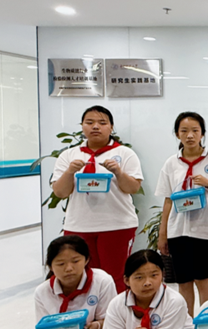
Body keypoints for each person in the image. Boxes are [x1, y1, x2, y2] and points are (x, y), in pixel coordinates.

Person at [52, 106, 143, 292]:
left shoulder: (125, 153)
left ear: (111, 127)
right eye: (90, 122)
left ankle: (116, 311)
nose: (95, 127)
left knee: (116, 277)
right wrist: (70, 172)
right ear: (82, 126)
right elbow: (60, 192)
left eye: (102, 123)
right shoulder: (69, 155)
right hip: (79, 225)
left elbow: (133, 188)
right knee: (82, 277)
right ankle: (90, 311)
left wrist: (118, 172)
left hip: (117, 225)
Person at [156, 112, 208, 314]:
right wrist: (163, 234)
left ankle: (206, 319)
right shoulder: (171, 163)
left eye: (195, 130)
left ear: (202, 134)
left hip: (205, 229)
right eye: (184, 131)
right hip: (178, 230)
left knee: (203, 279)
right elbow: (168, 200)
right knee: (184, 281)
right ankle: (187, 323)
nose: (189, 135)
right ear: (177, 134)